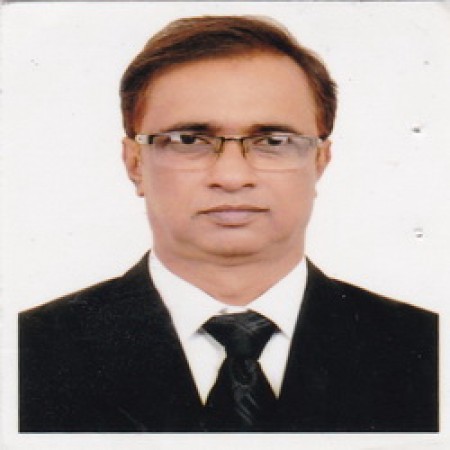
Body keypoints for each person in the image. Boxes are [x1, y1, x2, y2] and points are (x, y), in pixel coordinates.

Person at [19, 15, 438, 433]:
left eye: (273, 141)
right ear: (135, 164)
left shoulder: (426, 348)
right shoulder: (27, 352)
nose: (232, 177)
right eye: (189, 140)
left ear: (319, 162)